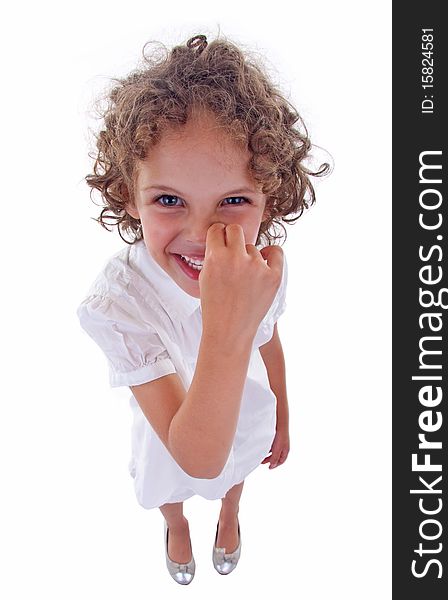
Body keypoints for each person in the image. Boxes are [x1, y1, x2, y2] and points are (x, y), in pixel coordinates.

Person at [77, 33, 327, 585]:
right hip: (175, 434)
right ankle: (177, 527)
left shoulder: (256, 267)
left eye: (234, 201)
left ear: (271, 196)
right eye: (169, 201)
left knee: (240, 462)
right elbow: (197, 457)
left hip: (240, 414)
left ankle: (231, 513)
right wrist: (226, 322)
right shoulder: (116, 305)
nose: (200, 235)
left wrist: (283, 407)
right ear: (128, 194)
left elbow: (269, 340)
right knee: (170, 484)